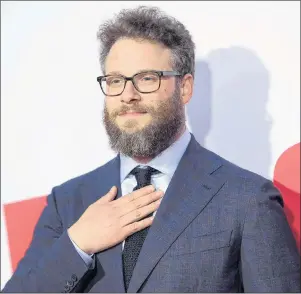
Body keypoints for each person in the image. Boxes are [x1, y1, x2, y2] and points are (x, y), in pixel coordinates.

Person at [2, 5, 300, 293]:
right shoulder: (68, 202)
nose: (128, 95)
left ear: (184, 88)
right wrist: (79, 243)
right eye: (116, 80)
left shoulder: (247, 199)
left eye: (147, 78)